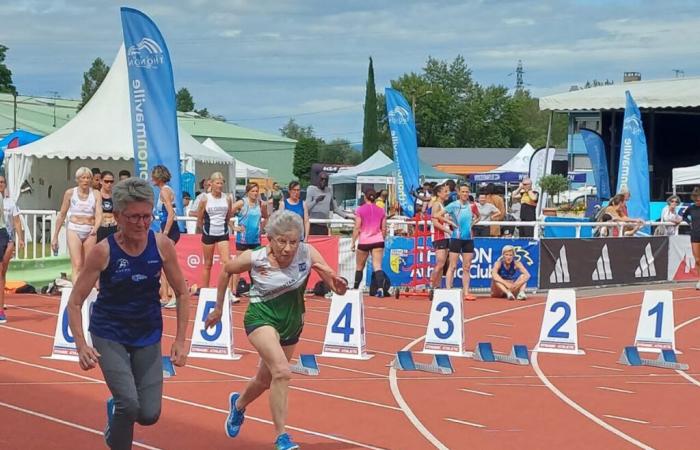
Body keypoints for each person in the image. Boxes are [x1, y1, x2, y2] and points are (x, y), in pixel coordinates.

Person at [206, 210, 347, 450]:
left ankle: (238, 405)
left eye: (293, 241)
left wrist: (339, 285)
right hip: (260, 317)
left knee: (265, 379)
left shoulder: (307, 253)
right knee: (282, 371)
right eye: (282, 241)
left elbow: (333, 281)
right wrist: (219, 308)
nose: (288, 248)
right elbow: (226, 270)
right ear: (269, 238)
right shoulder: (254, 257)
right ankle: (282, 437)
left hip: (292, 321)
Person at [66, 177, 189, 450]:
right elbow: (74, 302)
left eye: (146, 216)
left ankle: (117, 409)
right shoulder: (102, 252)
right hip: (110, 333)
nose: (141, 223)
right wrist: (81, 345)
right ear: (118, 216)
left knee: (148, 414)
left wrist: (181, 340)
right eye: (133, 217)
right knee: (129, 404)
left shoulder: (162, 246)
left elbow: (182, 292)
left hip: (147, 333)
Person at [51, 167, 103, 283]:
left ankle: (90, 290)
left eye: (88, 178)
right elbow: (62, 215)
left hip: (90, 230)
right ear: (77, 179)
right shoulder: (70, 193)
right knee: (77, 264)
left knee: (89, 264)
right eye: (83, 178)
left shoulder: (96, 194)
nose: (85, 180)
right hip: (74, 229)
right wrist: (55, 236)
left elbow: (99, 214)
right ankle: (76, 293)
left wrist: (95, 228)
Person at [231, 182, 268, 302]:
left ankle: (256, 291)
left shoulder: (261, 204)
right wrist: (233, 227)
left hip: (255, 239)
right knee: (238, 266)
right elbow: (227, 213)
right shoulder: (242, 202)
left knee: (255, 267)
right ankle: (233, 292)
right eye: (252, 191)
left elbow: (266, 216)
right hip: (243, 239)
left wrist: (262, 228)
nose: (255, 193)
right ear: (247, 192)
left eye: (257, 191)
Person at [197, 172, 233, 289]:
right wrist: (202, 230)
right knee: (208, 264)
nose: (219, 186)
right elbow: (200, 217)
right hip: (209, 232)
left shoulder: (227, 198)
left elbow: (228, 215)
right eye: (217, 183)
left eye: (221, 183)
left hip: (222, 233)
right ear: (210, 184)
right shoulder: (205, 199)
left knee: (227, 263)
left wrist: (228, 226)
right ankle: (205, 289)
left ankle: (227, 290)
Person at [444, 184, 480, 300]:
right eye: (463, 192)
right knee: (453, 266)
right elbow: (437, 215)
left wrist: (472, 224)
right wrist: (451, 223)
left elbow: (478, 217)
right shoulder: (453, 205)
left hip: (468, 239)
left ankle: (466, 293)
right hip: (456, 238)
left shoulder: (472, 206)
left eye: (467, 192)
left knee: (467, 267)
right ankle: (448, 290)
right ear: (459, 193)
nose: (465, 194)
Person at [151, 165, 180, 308]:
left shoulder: (164, 191)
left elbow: (170, 214)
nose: (151, 179)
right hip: (167, 228)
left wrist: (165, 234)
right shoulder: (165, 190)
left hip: (170, 230)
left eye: (153, 176)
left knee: (168, 265)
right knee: (163, 264)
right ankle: (166, 295)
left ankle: (175, 296)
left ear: (158, 177)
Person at [351, 188, 387, 296]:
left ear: (365, 197)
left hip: (364, 240)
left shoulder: (360, 210)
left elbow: (357, 227)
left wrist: (353, 242)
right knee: (377, 266)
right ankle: (380, 288)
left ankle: (356, 288)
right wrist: (382, 238)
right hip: (378, 240)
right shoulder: (381, 210)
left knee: (359, 266)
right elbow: (384, 228)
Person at [0, 175, 23, 324]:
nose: (0, 184)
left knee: (2, 271)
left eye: (2, 182)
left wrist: (20, 238)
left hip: (5, 237)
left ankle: (0, 308)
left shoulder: (10, 202)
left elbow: (16, 221)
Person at [428, 184, 455, 299]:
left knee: (443, 264)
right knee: (440, 263)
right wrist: (447, 230)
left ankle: (437, 286)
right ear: (439, 193)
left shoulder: (442, 205)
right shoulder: (436, 205)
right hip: (439, 236)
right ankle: (431, 285)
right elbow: (434, 222)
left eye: (448, 191)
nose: (447, 193)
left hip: (445, 236)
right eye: (445, 191)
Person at [306, 171, 351, 236]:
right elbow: (307, 208)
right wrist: (316, 201)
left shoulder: (329, 191)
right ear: (318, 179)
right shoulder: (311, 189)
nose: (323, 181)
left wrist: (347, 217)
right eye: (322, 179)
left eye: (325, 180)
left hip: (324, 224)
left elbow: (335, 209)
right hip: (313, 224)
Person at [682, 187, 700, 289]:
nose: (697, 202)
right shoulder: (691, 208)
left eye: (698, 199)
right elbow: (684, 216)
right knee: (697, 260)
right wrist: (689, 223)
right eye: (695, 200)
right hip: (695, 235)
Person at [97, 171, 118, 243]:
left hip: (113, 227)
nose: (109, 184)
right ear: (101, 181)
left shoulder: (116, 196)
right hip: (101, 227)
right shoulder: (96, 195)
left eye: (111, 182)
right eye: (106, 181)